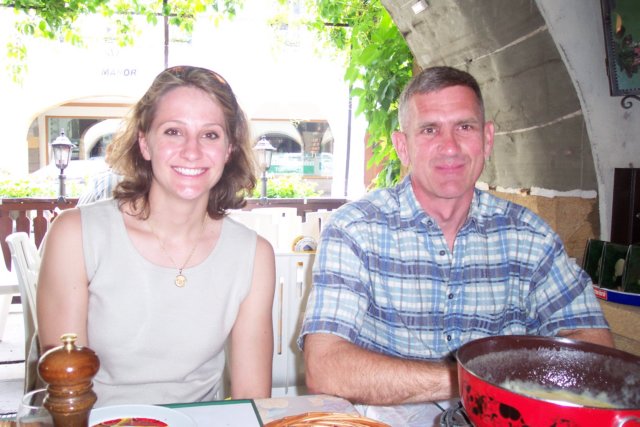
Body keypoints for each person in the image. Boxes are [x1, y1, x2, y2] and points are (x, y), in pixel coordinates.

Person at [298, 66, 613, 409]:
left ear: (487, 139)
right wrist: (475, 380)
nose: (449, 147)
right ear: (403, 147)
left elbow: (595, 348)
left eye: (464, 127)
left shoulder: (531, 239)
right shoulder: (354, 230)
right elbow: (324, 367)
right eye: (429, 130)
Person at [37, 65, 276, 406]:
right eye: (173, 132)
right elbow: (66, 391)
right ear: (144, 143)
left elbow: (252, 400)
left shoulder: (253, 256)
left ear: (229, 150)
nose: (192, 151)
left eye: (210, 135)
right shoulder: (76, 235)